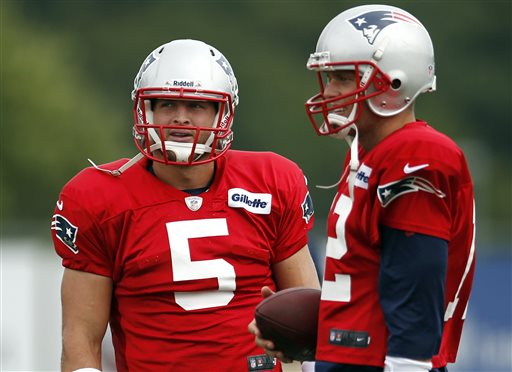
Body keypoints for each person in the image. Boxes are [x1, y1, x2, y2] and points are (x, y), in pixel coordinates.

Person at [51, 38, 320, 372]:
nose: (181, 118)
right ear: (144, 109)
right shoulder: (99, 197)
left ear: (222, 113)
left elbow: (309, 314)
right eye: (166, 105)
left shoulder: (272, 181)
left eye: (196, 106)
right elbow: (81, 339)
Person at [249, 4, 475, 372]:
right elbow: (371, 283)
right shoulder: (369, 154)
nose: (329, 91)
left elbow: (416, 289)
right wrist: (316, 333)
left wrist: (407, 366)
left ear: (394, 80)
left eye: (342, 77)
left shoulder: (417, 154)